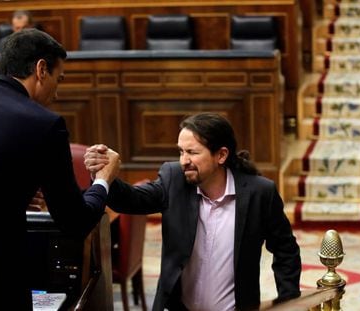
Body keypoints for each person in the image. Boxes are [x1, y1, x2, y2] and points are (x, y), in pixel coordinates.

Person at [0, 28, 120, 310]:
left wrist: (9, 191)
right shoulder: (43, 123)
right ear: (41, 69)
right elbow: (74, 221)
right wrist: (103, 181)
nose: (56, 92)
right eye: (59, 79)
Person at [85, 112, 301, 311]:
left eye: (192, 152)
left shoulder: (259, 193)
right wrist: (103, 175)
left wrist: (288, 300)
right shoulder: (174, 179)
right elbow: (132, 200)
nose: (183, 161)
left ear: (221, 155)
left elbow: (285, 249)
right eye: (181, 151)